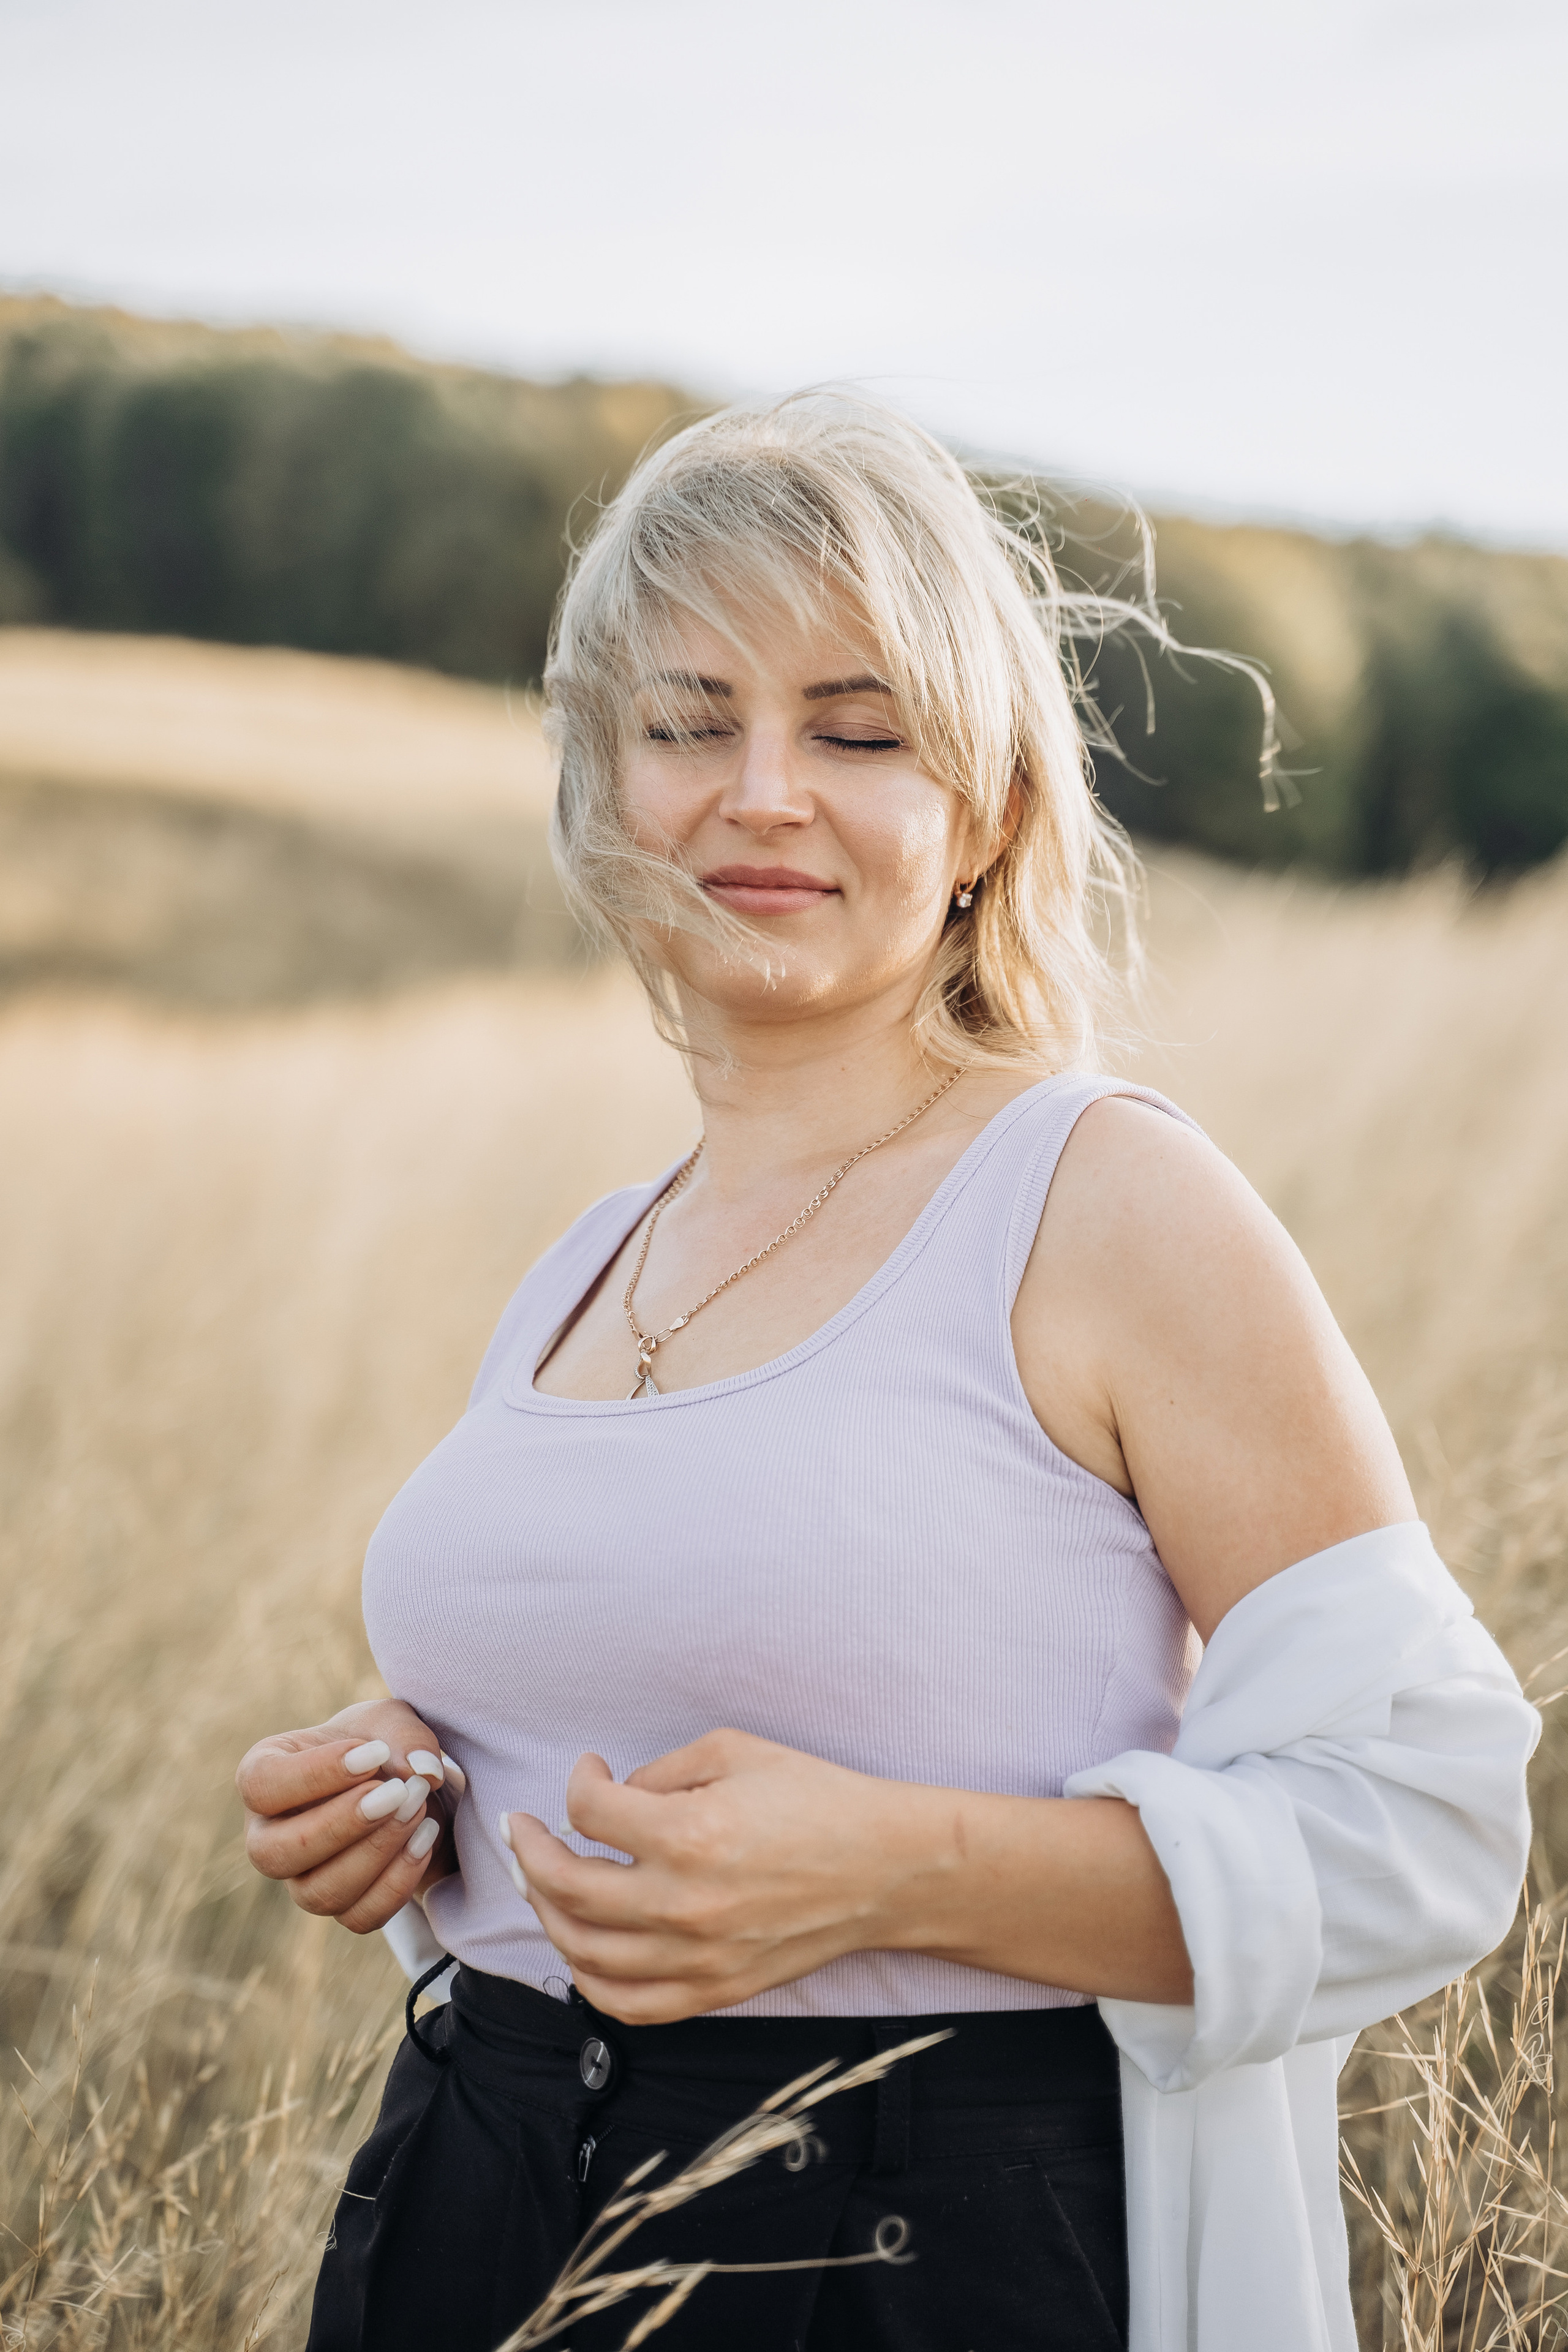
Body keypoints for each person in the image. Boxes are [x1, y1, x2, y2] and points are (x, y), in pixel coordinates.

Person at [236, 393, 1537, 2352]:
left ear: (987, 809)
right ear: (605, 784)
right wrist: (414, 1781)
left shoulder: (1105, 1200)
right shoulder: (592, 1256)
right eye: (690, 722)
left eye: (857, 732)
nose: (764, 793)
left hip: (897, 2251)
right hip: (469, 2205)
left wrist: (892, 1875)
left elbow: (1434, 1822)